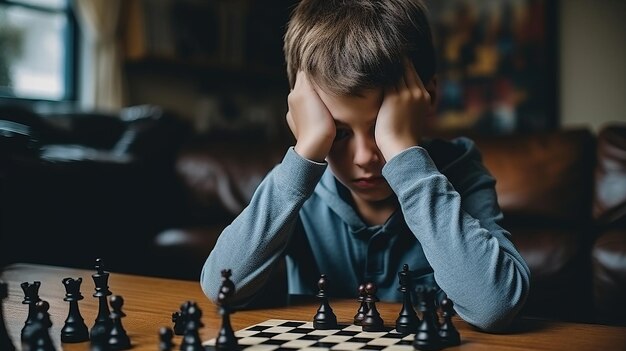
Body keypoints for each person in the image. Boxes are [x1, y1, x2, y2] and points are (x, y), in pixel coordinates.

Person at [200, 0, 530, 332]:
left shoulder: (460, 170)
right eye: (338, 133)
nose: (365, 157)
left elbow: (494, 307)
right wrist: (306, 152)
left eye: (381, 129)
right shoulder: (297, 185)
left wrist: (404, 156)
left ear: (426, 98)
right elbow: (221, 289)